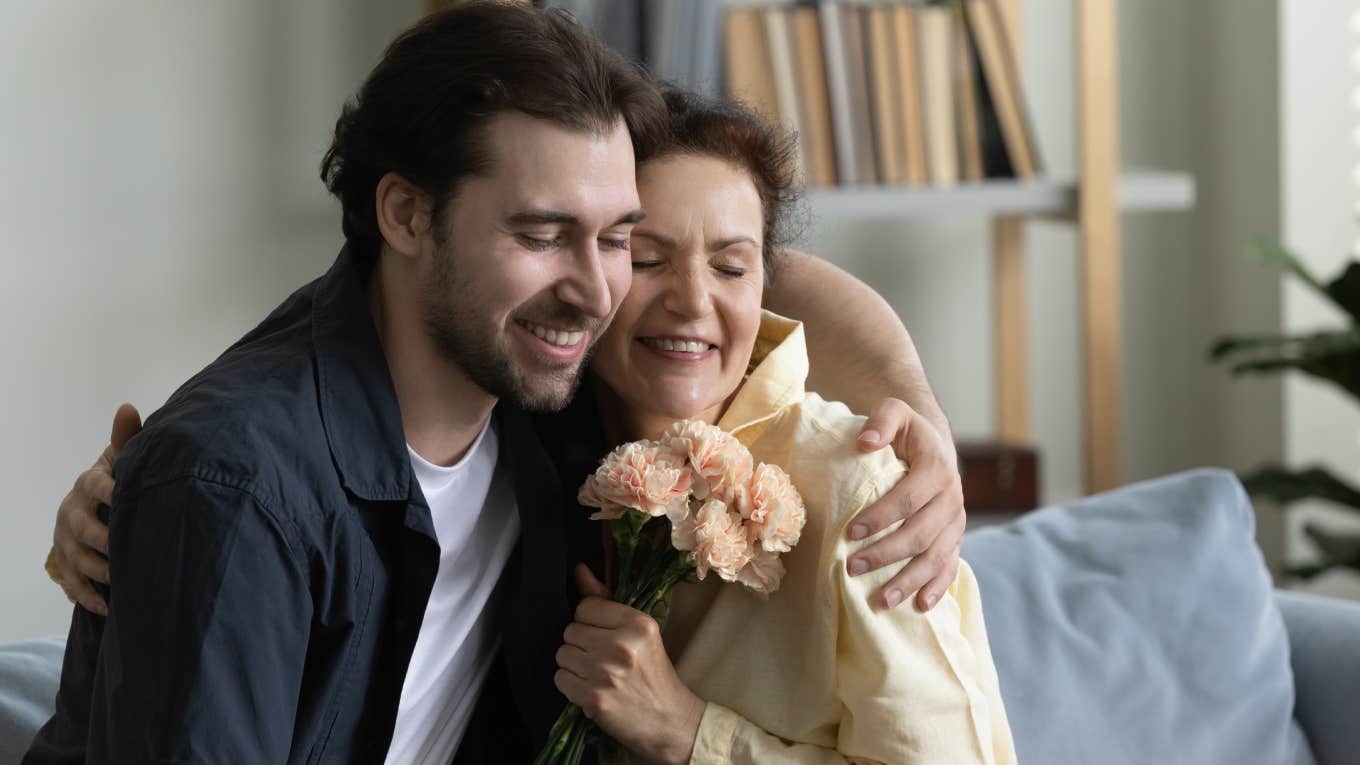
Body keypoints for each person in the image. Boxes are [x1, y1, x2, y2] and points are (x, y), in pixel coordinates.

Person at [31, 4, 968, 763]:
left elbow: (737, 263)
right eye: (540, 233)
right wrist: (169, 495)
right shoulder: (241, 486)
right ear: (404, 213)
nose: (600, 289)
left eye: (614, 240)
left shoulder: (550, 402)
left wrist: (919, 412)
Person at [535, 88, 1015, 764]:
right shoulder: (535, 452)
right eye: (647, 259)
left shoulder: (861, 486)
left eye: (730, 266)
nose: (693, 299)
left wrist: (685, 731)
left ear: (764, 283)